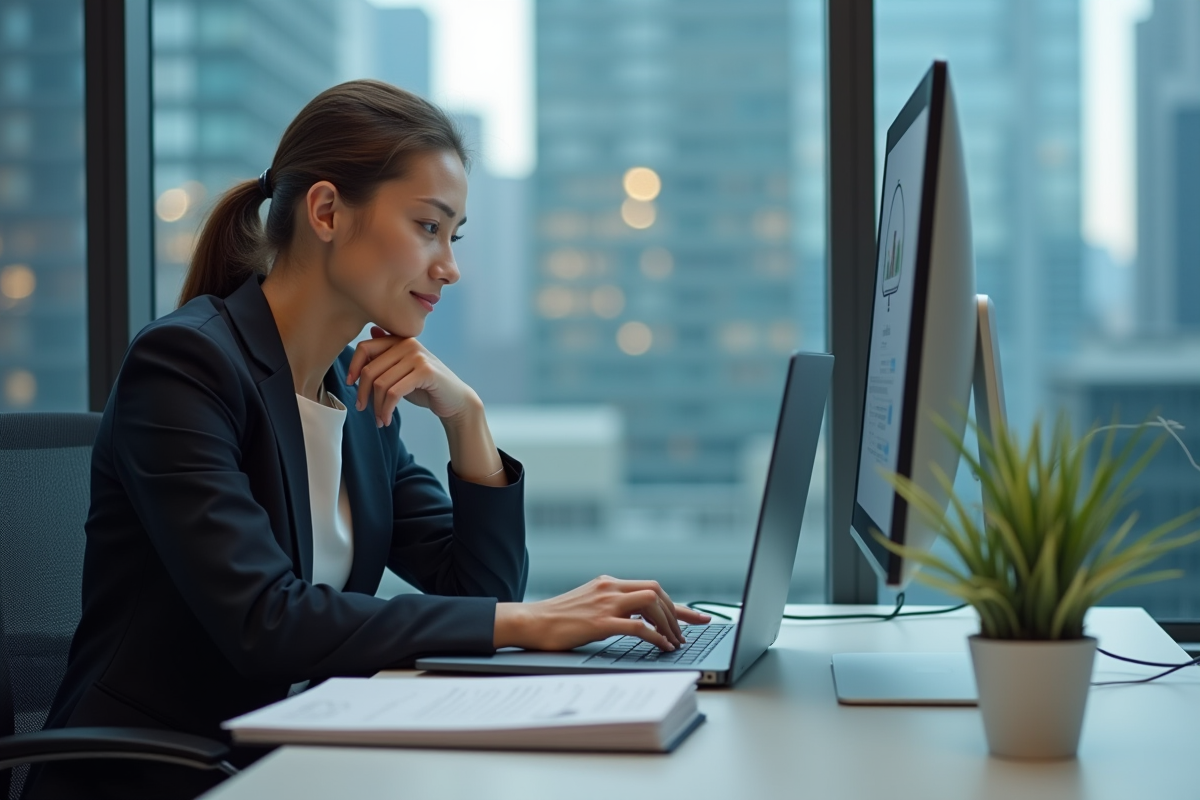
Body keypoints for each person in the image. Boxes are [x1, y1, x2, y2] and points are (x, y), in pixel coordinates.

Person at [25, 80, 709, 800]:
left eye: (455, 234)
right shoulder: (185, 365)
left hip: (296, 761)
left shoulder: (355, 393)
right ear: (326, 211)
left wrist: (465, 419)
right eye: (427, 226)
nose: (449, 265)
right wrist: (531, 621)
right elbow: (267, 621)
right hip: (164, 776)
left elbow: (477, 590)